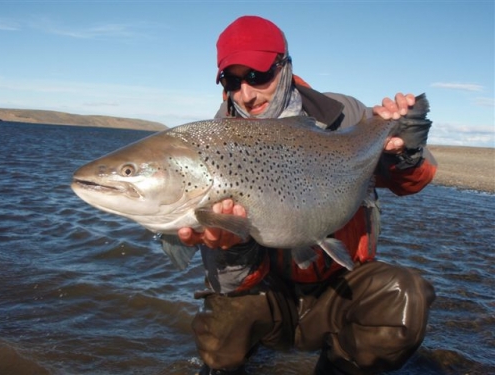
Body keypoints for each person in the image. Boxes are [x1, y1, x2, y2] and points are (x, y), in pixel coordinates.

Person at [178, 15, 437, 375]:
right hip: (268, 295)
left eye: (257, 76)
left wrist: (405, 147)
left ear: (285, 66)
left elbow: (413, 182)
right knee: (219, 331)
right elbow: (231, 282)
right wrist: (231, 244)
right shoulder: (212, 149)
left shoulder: (344, 115)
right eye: (232, 80)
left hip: (338, 286)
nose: (246, 94)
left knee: (404, 295)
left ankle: (338, 367)